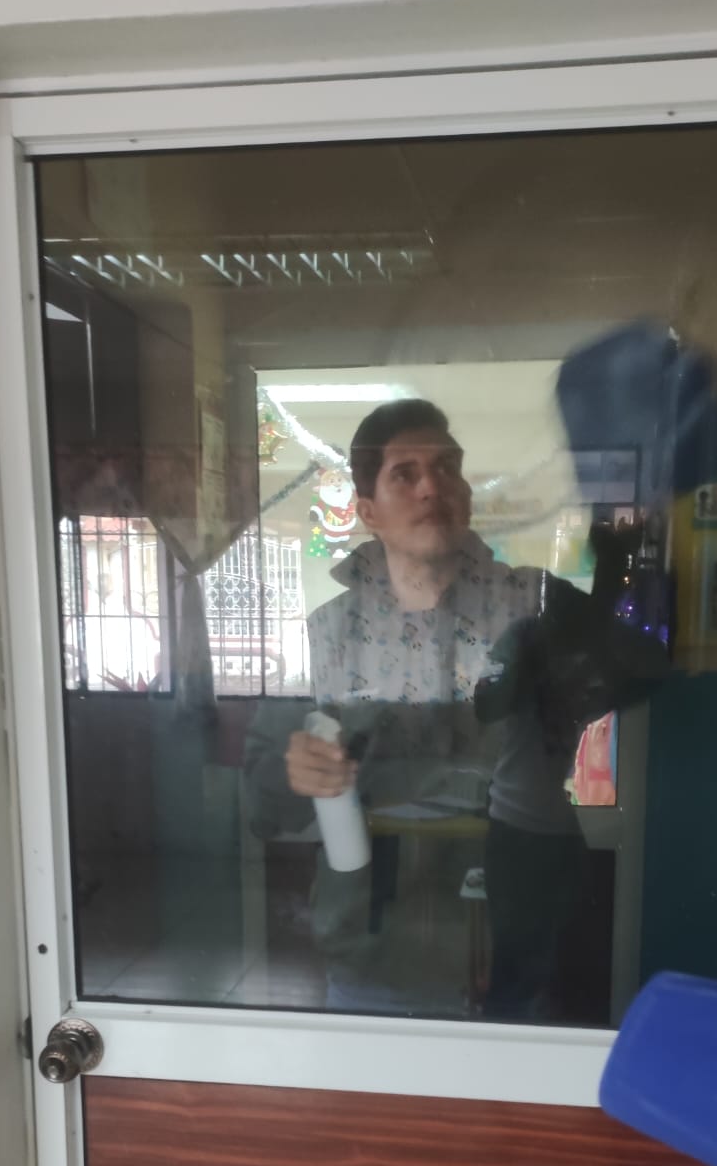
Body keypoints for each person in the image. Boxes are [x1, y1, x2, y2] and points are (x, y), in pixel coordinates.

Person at [244, 398, 666, 1018]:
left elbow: (637, 672)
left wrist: (616, 569)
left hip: (517, 938)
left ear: (466, 492)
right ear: (367, 511)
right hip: (373, 947)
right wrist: (291, 770)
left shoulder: (535, 604)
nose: (431, 487)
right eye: (404, 474)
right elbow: (260, 801)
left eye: (446, 467)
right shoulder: (327, 635)